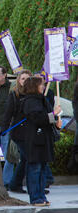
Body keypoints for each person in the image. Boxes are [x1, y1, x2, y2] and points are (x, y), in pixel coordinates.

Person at [21, 76, 61, 206]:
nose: (43, 86)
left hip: (44, 139)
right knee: (35, 168)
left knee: (42, 168)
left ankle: (41, 196)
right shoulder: (30, 101)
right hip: (35, 139)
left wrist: (55, 119)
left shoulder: (42, 99)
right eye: (41, 84)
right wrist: (53, 114)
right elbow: (37, 118)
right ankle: (35, 197)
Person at [1, 69, 32, 193]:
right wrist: (4, 129)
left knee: (27, 159)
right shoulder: (14, 95)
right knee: (25, 158)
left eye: (28, 79)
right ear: (19, 80)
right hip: (18, 132)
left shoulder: (34, 95)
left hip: (31, 132)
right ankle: (15, 184)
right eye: (23, 78)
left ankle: (21, 184)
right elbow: (8, 114)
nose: (25, 81)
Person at [0, 65, 12, 189]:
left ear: (4, 74)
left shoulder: (11, 88)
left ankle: (7, 182)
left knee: (9, 156)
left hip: (7, 127)